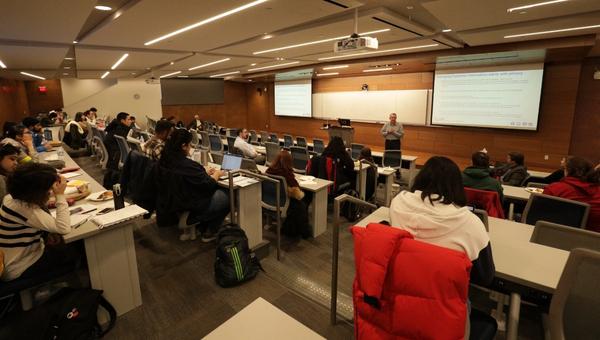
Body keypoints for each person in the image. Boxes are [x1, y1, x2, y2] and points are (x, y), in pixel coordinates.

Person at [389, 156, 494, 286]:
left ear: (420, 178)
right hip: (442, 298)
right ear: (457, 186)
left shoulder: (398, 202)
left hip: (399, 286)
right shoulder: (471, 223)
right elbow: (485, 277)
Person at [0, 163, 80, 281]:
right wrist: (60, 195)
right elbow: (64, 228)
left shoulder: (10, 199)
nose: (49, 192)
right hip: (19, 266)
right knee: (77, 248)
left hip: (10, 260)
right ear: (37, 192)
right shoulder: (26, 209)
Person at [157, 129, 229, 241]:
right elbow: (209, 184)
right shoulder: (186, 165)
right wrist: (217, 174)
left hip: (174, 204)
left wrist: (202, 172)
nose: (191, 147)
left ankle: (202, 226)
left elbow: (189, 176)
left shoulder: (165, 160)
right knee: (228, 195)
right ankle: (210, 231)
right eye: (190, 144)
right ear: (183, 146)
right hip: (191, 205)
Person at [543, 157, 600, 232]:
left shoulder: (554, 189)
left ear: (567, 171)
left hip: (554, 235)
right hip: (593, 239)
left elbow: (538, 216)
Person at [267, 150, 311, 238]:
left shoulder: (269, 171)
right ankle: (304, 232)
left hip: (271, 199)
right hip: (284, 202)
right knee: (305, 200)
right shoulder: (287, 174)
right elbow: (297, 193)